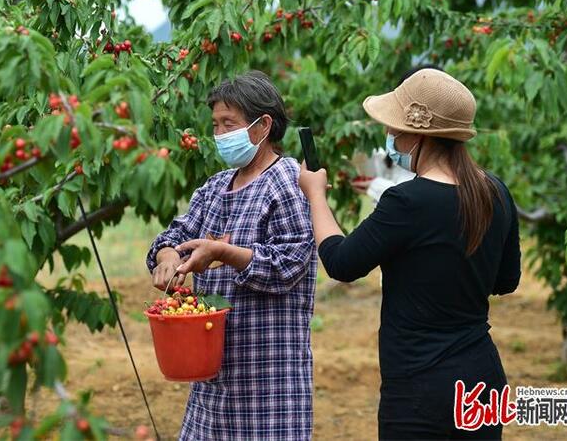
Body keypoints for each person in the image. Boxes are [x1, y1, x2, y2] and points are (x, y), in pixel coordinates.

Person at [299, 68, 521, 439]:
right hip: (482, 379)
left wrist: (316, 195)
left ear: (418, 135)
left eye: (394, 130)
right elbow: (506, 280)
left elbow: (340, 262)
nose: (389, 138)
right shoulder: (495, 191)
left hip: (421, 386)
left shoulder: (407, 201)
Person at [146, 71, 317, 440]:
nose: (221, 135)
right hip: (214, 379)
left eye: (230, 124)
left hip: (269, 382)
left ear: (263, 126)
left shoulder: (288, 182)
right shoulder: (216, 187)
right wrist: (166, 256)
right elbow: (176, 235)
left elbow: (289, 264)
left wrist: (224, 252)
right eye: (216, 125)